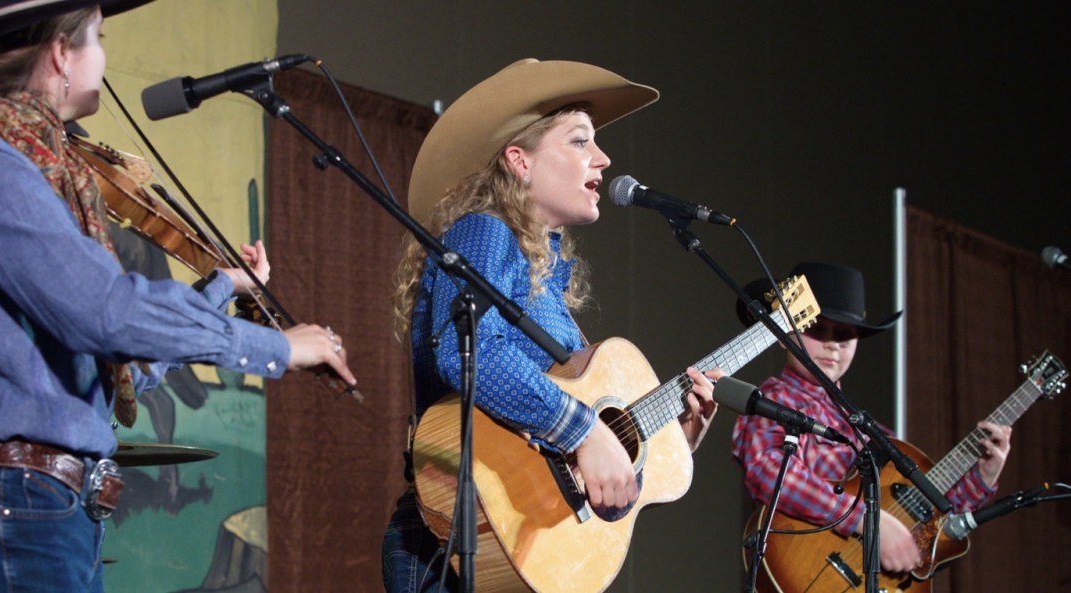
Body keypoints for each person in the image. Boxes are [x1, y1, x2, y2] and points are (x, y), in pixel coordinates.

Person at [0, 2, 356, 591]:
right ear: (62, 53)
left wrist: (224, 288)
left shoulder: (23, 168)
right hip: (13, 509)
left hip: (42, 510)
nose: (106, 57)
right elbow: (105, 313)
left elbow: (114, 371)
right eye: (100, 38)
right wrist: (274, 346)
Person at [381, 58, 722, 593]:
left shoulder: (548, 291)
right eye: (581, 141)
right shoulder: (484, 233)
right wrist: (585, 430)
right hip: (452, 543)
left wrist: (666, 439)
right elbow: (467, 352)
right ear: (520, 160)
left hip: (523, 546)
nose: (604, 159)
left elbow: (565, 479)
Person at [730, 262, 1012, 574]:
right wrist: (865, 519)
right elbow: (769, 472)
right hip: (805, 569)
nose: (832, 345)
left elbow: (931, 518)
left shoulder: (871, 431)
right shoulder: (773, 399)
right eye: (816, 328)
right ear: (782, 336)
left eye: (844, 336)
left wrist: (983, 476)